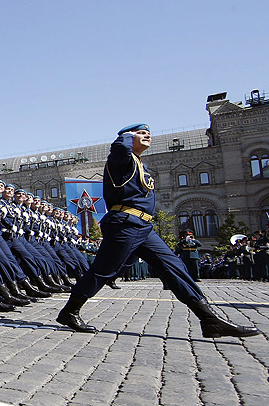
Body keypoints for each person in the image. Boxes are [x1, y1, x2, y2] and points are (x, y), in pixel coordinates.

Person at [56, 124, 257, 338]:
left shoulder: (140, 163)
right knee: (103, 271)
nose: (147, 136)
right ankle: (70, 311)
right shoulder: (121, 161)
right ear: (128, 137)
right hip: (125, 223)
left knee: (173, 265)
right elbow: (120, 150)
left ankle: (209, 320)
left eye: (148, 133)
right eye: (141, 133)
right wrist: (126, 137)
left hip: (143, 226)